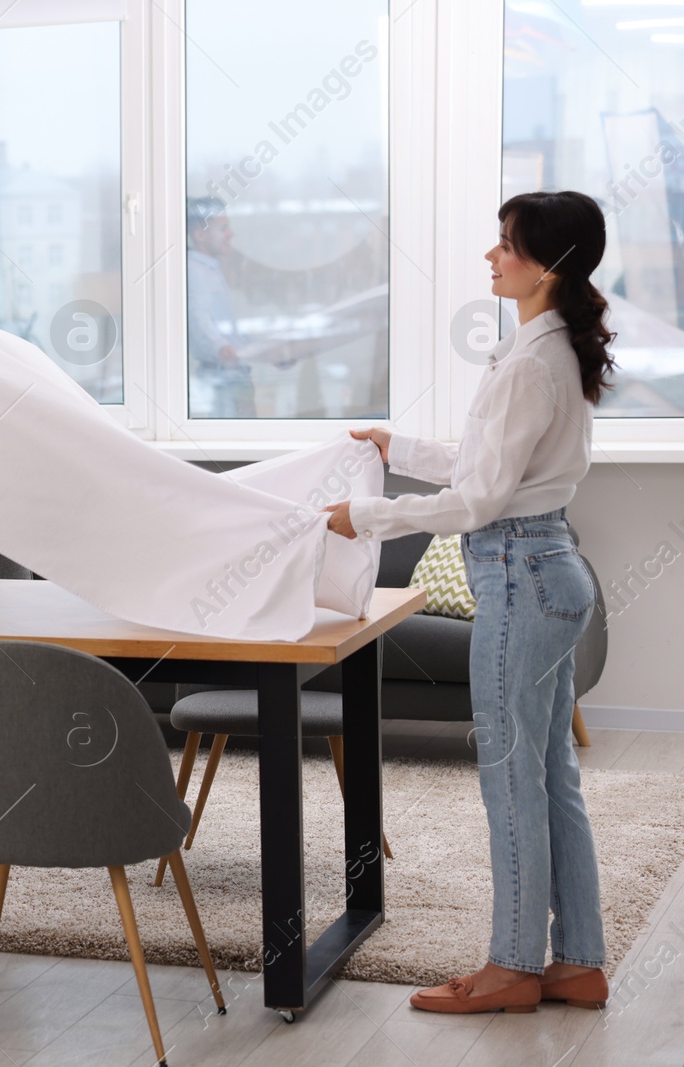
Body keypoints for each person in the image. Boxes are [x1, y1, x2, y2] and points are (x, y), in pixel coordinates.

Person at [324, 190, 615, 1014]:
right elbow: (492, 467)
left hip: (520, 576)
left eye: (506, 244)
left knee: (511, 777)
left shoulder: (530, 360)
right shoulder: (548, 348)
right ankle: (578, 960)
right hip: (548, 568)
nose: (491, 257)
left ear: (546, 264)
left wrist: (365, 518)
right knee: (550, 772)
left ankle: (513, 966)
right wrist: (398, 446)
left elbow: (480, 502)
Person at [187, 197, 256, 418]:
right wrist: (222, 348)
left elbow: (226, 327)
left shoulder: (210, 270)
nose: (231, 234)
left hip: (231, 376)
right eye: (223, 228)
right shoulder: (195, 272)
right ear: (199, 234)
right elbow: (199, 320)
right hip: (220, 379)